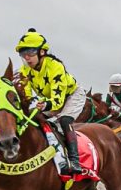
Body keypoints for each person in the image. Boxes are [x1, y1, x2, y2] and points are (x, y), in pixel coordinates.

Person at [15, 28, 87, 175]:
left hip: (72, 95)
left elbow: (58, 101)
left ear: (42, 52)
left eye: (30, 53)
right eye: (23, 54)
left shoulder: (55, 66)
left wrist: (45, 105)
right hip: (49, 99)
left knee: (64, 120)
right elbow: (27, 97)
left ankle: (74, 160)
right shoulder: (24, 70)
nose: (27, 58)